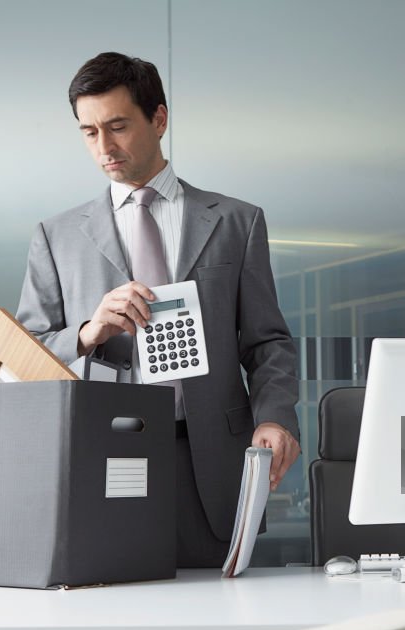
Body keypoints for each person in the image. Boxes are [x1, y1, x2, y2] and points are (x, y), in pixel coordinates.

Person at [16, 52, 300, 568]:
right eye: (89, 132)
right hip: (103, 454)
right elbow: (25, 356)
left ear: (160, 119)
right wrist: (87, 332)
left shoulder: (237, 222)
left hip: (212, 457)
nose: (104, 147)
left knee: (222, 621)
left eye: (118, 126)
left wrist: (278, 418)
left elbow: (267, 343)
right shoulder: (54, 237)